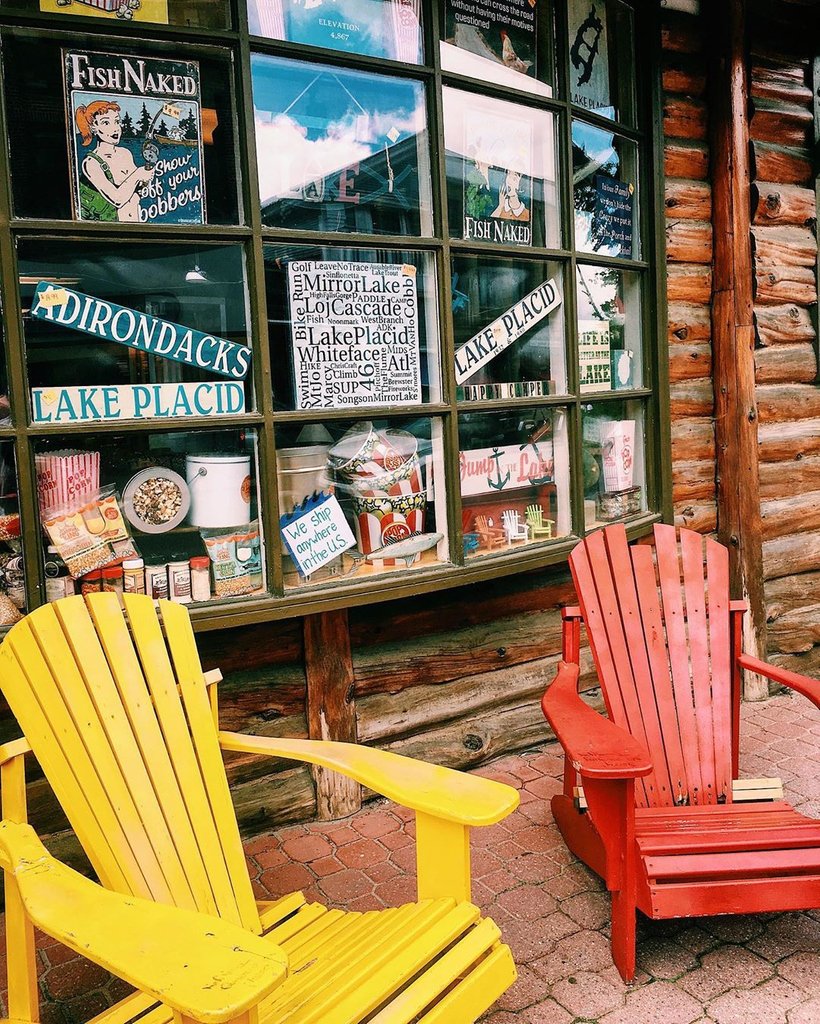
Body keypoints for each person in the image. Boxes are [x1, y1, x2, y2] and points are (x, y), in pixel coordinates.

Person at [75, 101, 154, 222]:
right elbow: (117, 199)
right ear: (93, 127)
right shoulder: (91, 163)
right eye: (106, 123)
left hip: (137, 226)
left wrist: (145, 180)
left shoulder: (125, 153)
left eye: (117, 121)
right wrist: (138, 175)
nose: (115, 128)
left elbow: (137, 188)